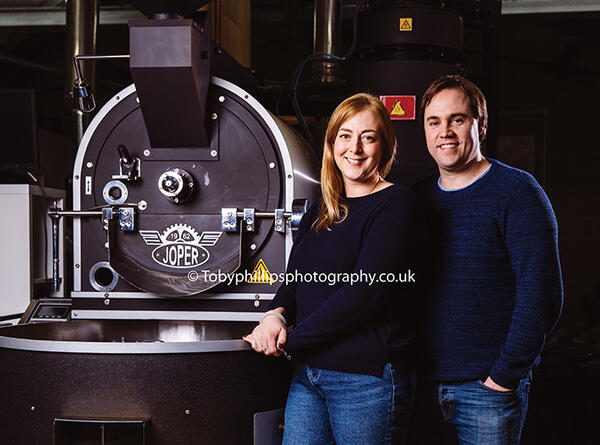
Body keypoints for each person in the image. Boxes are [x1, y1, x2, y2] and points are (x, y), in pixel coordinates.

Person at [244, 93, 423, 445]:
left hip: (364, 379)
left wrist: (290, 340)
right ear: (331, 144)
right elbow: (294, 281)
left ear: (384, 147)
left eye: (368, 137)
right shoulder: (319, 211)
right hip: (308, 377)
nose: (354, 148)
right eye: (345, 135)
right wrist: (274, 315)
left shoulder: (397, 204)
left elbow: (364, 295)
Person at [411, 75, 564, 445]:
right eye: (434, 122)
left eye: (457, 120)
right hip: (419, 390)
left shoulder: (517, 192)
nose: (445, 132)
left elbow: (542, 296)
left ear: (481, 124)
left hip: (486, 393)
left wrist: (503, 377)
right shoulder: (415, 200)